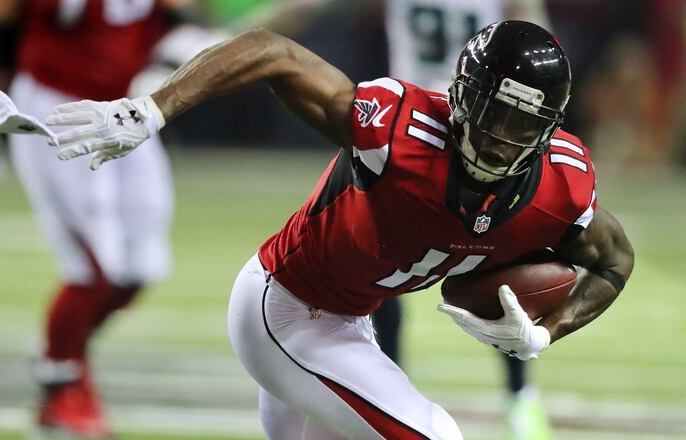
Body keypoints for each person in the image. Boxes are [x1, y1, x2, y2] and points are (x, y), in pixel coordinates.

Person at [45, 21, 634, 439]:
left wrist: (546, 332)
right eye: (492, 113)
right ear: (459, 97)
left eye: (522, 125)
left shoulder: (560, 186)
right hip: (284, 309)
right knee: (435, 434)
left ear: (550, 128)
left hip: (348, 324)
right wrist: (154, 108)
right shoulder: (399, 135)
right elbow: (271, 52)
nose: (501, 137)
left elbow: (615, 261)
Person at [0, 0, 189, 437]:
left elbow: (180, 20)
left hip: (125, 110)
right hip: (58, 108)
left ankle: (61, 345)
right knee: (94, 265)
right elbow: (3, 23)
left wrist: (177, 54)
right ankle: (60, 383)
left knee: (140, 265)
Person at [380, 1, 555, 438]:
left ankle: (391, 389)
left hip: (415, 122)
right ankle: (519, 396)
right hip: (480, 125)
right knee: (495, 264)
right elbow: (540, 43)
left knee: (382, 261)